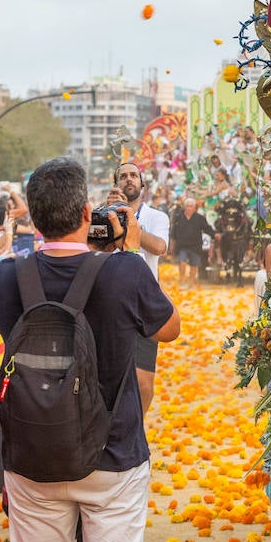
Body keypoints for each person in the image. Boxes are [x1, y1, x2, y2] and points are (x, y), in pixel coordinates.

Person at [0, 157, 179, 542]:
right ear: (86, 212)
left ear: (35, 219)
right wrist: (126, 252)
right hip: (111, 452)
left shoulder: (8, 276)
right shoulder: (124, 270)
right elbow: (169, 328)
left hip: (32, 450)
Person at [108, 161, 169, 408]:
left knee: (143, 382)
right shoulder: (104, 215)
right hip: (109, 302)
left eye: (134, 175)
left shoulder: (157, 216)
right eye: (123, 176)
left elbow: (159, 247)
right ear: (116, 184)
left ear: (142, 184)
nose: (129, 179)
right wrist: (109, 214)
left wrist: (128, 221)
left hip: (142, 302)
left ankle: (137, 430)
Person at [168, 196, 212, 284]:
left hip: (195, 246)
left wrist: (215, 235)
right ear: (184, 207)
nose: (189, 208)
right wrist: (171, 248)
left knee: (194, 265)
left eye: (191, 206)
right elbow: (173, 233)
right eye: (187, 206)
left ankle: (191, 282)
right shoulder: (178, 217)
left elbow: (207, 229)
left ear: (195, 208)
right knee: (182, 262)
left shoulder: (200, 218)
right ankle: (182, 279)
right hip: (182, 246)